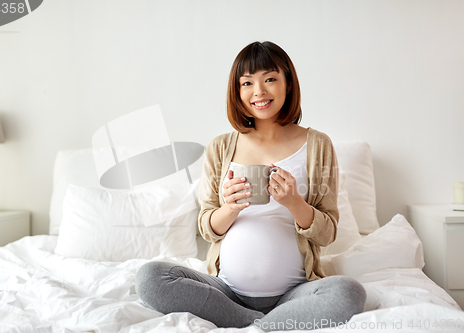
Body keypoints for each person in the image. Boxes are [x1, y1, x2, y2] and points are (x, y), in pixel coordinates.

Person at [135, 41, 366, 331]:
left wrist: (295, 203)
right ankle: (262, 325)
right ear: (237, 91)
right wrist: (229, 208)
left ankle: (251, 325)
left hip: (293, 295)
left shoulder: (317, 144)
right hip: (226, 293)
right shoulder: (220, 147)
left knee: (349, 293)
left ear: (289, 84)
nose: (259, 92)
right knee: (150, 277)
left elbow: (328, 232)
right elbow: (207, 227)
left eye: (270, 79)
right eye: (247, 83)